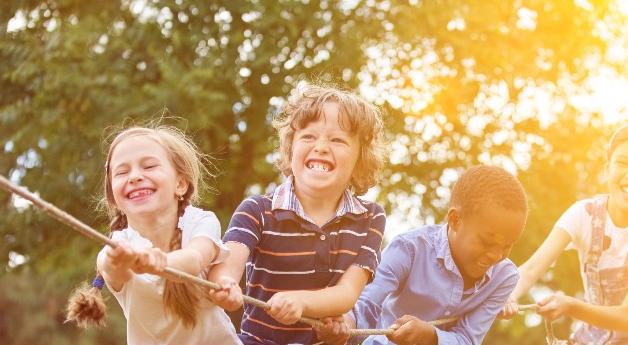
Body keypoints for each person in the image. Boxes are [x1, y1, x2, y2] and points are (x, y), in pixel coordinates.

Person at [208, 84, 389, 345]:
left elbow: (348, 292)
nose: (322, 147)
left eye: (337, 140)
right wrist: (223, 285)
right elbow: (228, 263)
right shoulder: (257, 210)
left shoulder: (370, 218)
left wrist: (300, 301)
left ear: (360, 160)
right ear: (290, 149)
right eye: (308, 137)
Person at [500, 120, 628, 344]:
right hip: (598, 336)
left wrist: (569, 305)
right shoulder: (583, 214)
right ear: (607, 169)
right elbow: (530, 270)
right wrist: (507, 295)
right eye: (623, 163)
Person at [65, 124, 240, 344]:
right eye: (122, 172)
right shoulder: (121, 241)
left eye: (148, 166)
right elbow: (108, 265)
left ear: (181, 184)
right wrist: (115, 259)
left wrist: (159, 262)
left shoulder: (200, 222)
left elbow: (195, 258)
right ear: (114, 199)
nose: (135, 177)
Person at [316, 165, 529, 345]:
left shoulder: (505, 277)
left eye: (508, 246)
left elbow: (468, 339)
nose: (496, 255)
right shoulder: (409, 249)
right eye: (486, 242)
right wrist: (344, 324)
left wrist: (430, 336)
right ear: (454, 220)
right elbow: (368, 302)